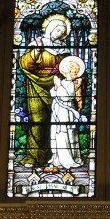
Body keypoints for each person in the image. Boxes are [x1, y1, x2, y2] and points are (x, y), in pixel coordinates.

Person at [19, 14, 71, 167]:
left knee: (56, 122)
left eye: (62, 33)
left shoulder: (63, 49)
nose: (59, 34)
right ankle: (33, 157)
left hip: (56, 87)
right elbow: (25, 64)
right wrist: (37, 49)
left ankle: (55, 156)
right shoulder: (37, 43)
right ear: (49, 29)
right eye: (58, 30)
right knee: (37, 121)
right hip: (36, 85)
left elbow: (69, 66)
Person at [48, 56, 85, 169]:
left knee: (63, 133)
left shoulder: (73, 83)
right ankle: (57, 157)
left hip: (65, 110)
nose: (63, 66)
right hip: (57, 110)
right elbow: (54, 94)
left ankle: (67, 159)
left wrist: (58, 86)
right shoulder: (64, 81)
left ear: (71, 69)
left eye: (68, 65)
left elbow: (66, 97)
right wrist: (55, 87)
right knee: (55, 132)